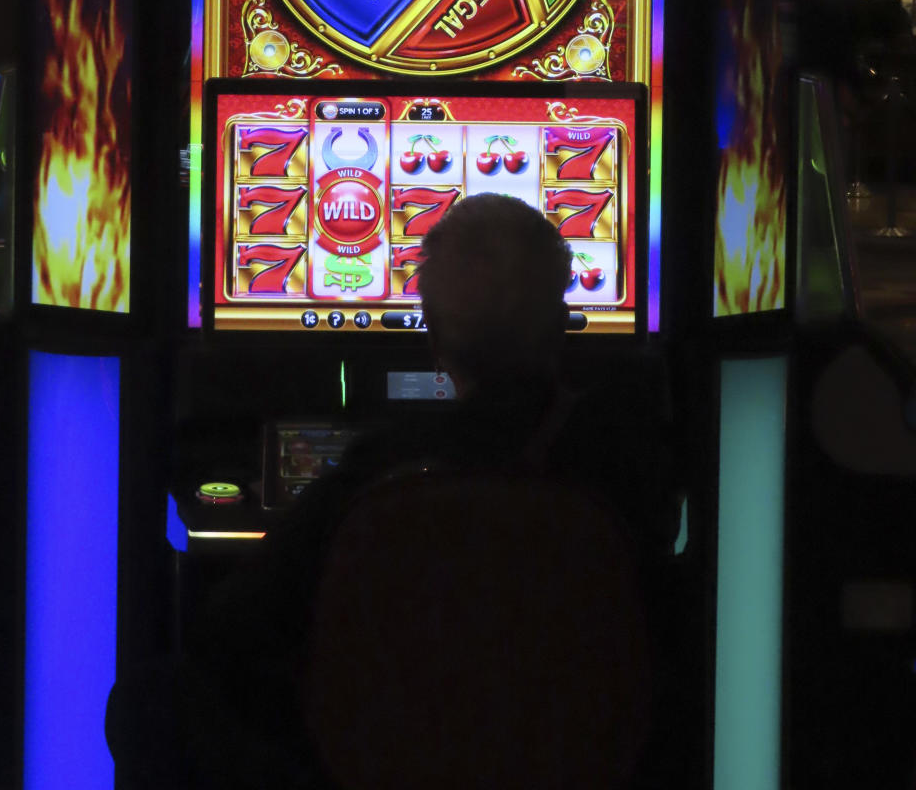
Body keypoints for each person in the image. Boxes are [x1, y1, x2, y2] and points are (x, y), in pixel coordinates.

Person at [108, 196, 678, 788]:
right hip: (573, 765)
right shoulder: (623, 464)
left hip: (380, 765)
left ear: (433, 334)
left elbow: (229, 631)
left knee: (149, 700)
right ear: (563, 320)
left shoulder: (383, 464)